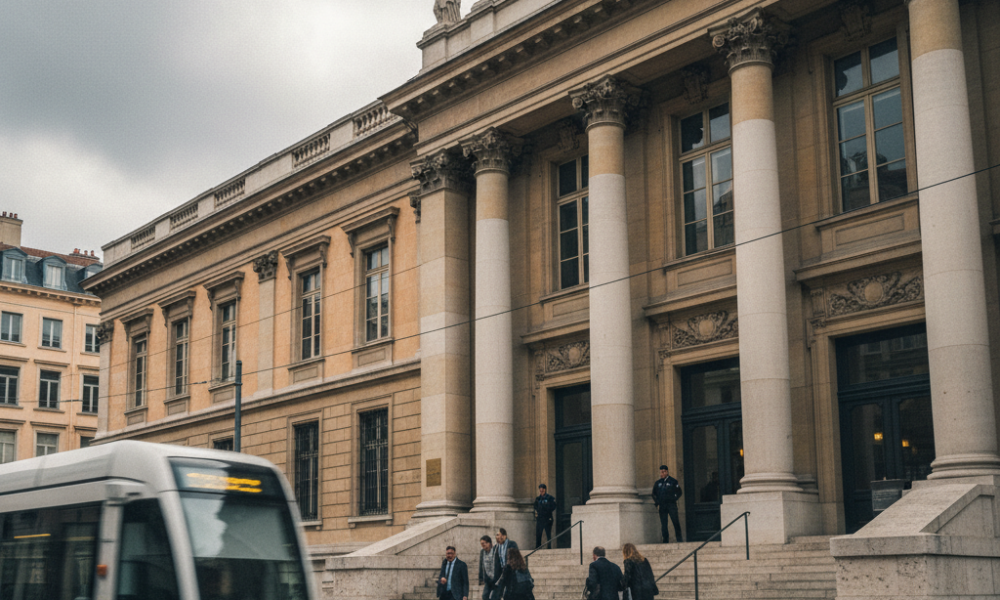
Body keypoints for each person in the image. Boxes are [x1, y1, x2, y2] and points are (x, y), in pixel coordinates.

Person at [652, 465, 683, 543]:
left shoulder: (673, 481)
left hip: (671, 505)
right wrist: (657, 502)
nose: (661, 474)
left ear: (666, 472)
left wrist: (673, 498)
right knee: (664, 524)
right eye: (661, 472)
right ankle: (665, 540)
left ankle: (679, 539)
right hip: (662, 505)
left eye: (663, 472)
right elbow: (653, 493)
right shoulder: (658, 483)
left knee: (675, 522)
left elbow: (679, 492)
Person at [493, 529, 518, 599]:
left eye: (498, 535)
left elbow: (516, 559)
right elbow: (496, 563)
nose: (497, 537)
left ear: (504, 536)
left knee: (509, 595)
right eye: (496, 535)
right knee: (495, 595)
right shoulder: (496, 547)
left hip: (510, 573)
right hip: (502, 574)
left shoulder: (512, 544)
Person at [533, 484, 557, 549]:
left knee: (548, 534)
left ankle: (549, 547)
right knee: (538, 534)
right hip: (540, 518)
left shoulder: (550, 498)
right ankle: (538, 547)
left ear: (545, 489)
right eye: (540, 489)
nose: (541, 490)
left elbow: (554, 506)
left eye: (543, 489)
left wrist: (547, 510)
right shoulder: (538, 499)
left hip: (547, 518)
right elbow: (535, 507)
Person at [478, 535, 501, 600]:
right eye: (481, 544)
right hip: (488, 579)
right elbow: (481, 565)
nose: (483, 546)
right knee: (485, 596)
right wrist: (481, 577)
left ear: (489, 543)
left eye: (484, 544)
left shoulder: (496, 551)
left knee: (495, 597)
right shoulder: (482, 552)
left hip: (497, 579)